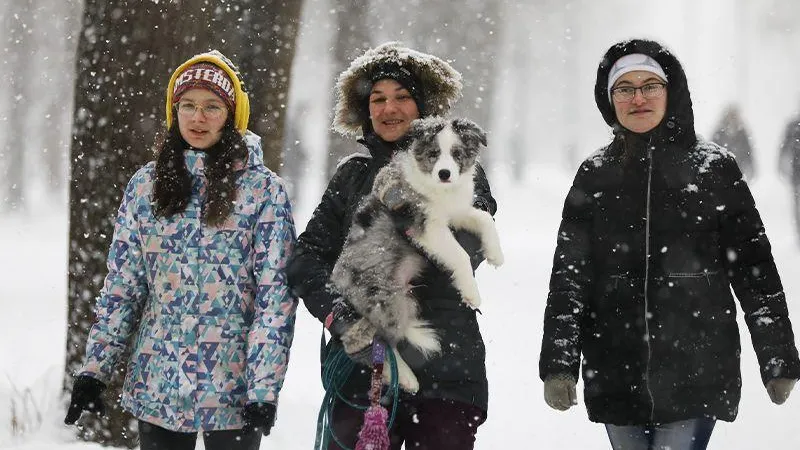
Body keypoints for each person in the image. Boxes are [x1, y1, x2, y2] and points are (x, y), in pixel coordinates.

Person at [539, 39, 800, 450]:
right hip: (614, 367)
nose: (638, 97)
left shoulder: (714, 169)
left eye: (650, 86)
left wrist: (778, 356)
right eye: (624, 88)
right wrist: (559, 363)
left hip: (696, 366)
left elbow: (755, 269)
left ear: (670, 91)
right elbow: (570, 277)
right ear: (610, 100)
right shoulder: (594, 174)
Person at [63, 50, 298, 450]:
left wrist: (263, 390)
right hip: (159, 382)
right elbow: (124, 287)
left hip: (233, 387)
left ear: (231, 114)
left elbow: (274, 298)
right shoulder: (145, 186)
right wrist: (95, 370)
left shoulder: (263, 191)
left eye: (211, 106)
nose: (197, 117)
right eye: (187, 105)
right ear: (175, 112)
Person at [286, 42, 495, 450]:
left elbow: (466, 247)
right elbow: (305, 260)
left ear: (423, 107)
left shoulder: (458, 169)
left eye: (402, 97)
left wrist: (401, 215)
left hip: (446, 373)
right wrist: (343, 320)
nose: (389, 109)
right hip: (363, 373)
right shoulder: (351, 176)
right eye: (378, 99)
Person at [711, 103, 756, 180]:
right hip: (721, 175)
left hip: (740, 174)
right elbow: (712, 152)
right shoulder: (719, 133)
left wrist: (747, 171)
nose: (732, 118)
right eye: (730, 116)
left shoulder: (743, 134)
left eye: (734, 116)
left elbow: (748, 156)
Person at [778, 107, 800, 244]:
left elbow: (784, 149)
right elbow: (784, 149)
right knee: (797, 205)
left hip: (795, 174)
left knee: (797, 205)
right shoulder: (793, 126)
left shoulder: (793, 126)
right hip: (797, 174)